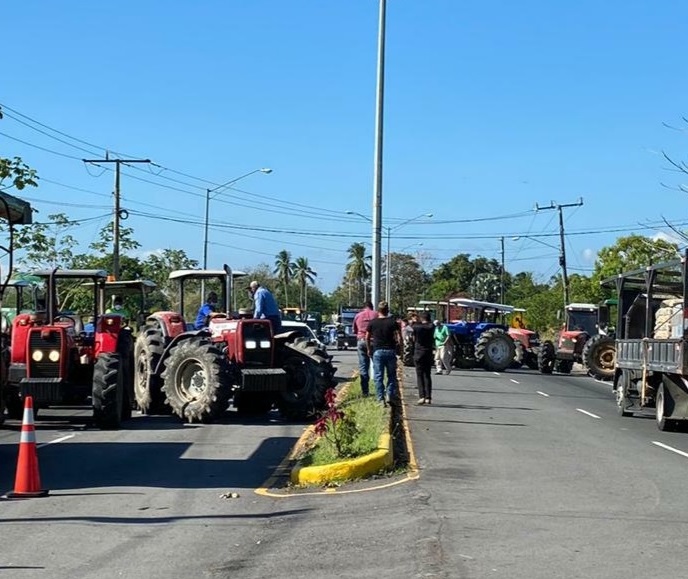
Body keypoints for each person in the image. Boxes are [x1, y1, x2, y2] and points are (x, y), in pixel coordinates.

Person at [366, 301, 402, 406]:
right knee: (391, 375)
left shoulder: (373, 322)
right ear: (388, 310)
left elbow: (367, 337)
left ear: (378, 310)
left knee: (378, 376)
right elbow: (399, 337)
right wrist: (400, 349)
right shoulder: (393, 322)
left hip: (377, 352)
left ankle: (380, 398)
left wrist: (369, 349)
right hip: (391, 351)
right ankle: (389, 395)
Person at [352, 301, 378, 397]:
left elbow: (354, 330)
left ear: (364, 307)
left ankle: (365, 391)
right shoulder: (376, 315)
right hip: (374, 341)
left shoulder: (358, 316)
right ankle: (378, 390)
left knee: (363, 367)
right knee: (377, 366)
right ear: (372, 306)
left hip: (362, 341)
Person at [413, 312, 435, 404]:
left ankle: (421, 396)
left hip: (418, 352)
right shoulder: (431, 327)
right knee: (427, 375)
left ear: (421, 318)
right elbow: (431, 324)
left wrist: (415, 321)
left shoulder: (417, 327)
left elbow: (413, 338)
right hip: (428, 351)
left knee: (419, 375)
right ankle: (428, 397)